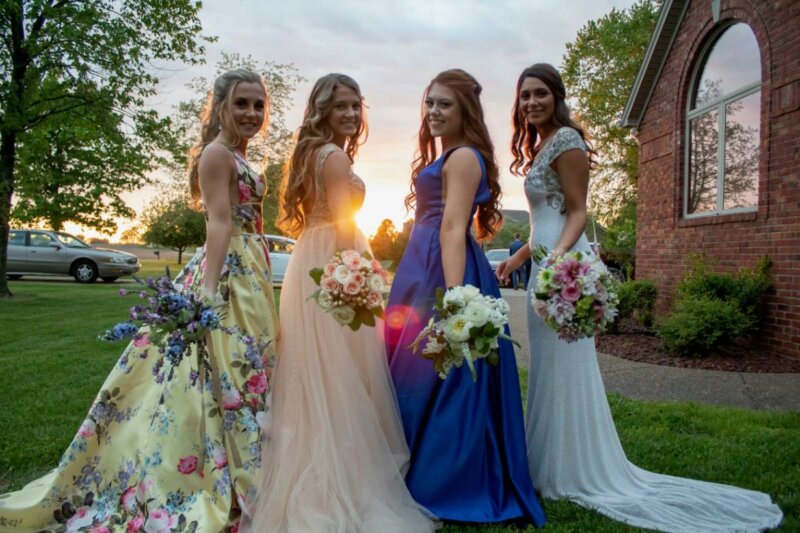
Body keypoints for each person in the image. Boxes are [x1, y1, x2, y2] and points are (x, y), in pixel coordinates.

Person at [497, 62, 783, 532]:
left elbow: (577, 213)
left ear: (557, 97)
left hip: (561, 271)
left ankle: (573, 469)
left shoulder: (567, 141)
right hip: (543, 268)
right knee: (548, 368)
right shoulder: (541, 145)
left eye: (540, 94)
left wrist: (555, 262)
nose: (531, 102)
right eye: (524, 95)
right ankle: (547, 462)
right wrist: (519, 258)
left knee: (567, 369)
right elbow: (542, 220)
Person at [0, 69, 279, 531]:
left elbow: (249, 221)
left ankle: (253, 465)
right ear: (221, 106)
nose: (251, 113)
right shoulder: (215, 154)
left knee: (252, 368)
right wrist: (207, 295)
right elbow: (219, 223)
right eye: (241, 104)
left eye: (258, 105)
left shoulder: (243, 157)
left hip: (251, 271)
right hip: (227, 274)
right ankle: (217, 471)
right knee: (225, 370)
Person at [244, 73, 434, 532]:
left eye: (355, 107)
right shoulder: (330, 157)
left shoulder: (316, 152)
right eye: (341, 107)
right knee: (338, 373)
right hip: (333, 260)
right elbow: (346, 223)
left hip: (313, 256)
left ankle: (325, 457)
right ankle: (339, 474)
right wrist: (354, 276)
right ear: (323, 110)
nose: (351, 114)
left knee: (324, 374)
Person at [384, 69, 546, 526]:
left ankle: (446, 480)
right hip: (422, 263)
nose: (434, 112)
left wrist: (455, 300)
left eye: (445, 105)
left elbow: (455, 227)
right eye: (430, 103)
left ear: (464, 111)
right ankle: (413, 464)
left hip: (442, 266)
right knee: (413, 369)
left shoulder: (462, 158)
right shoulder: (450, 155)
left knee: (444, 374)